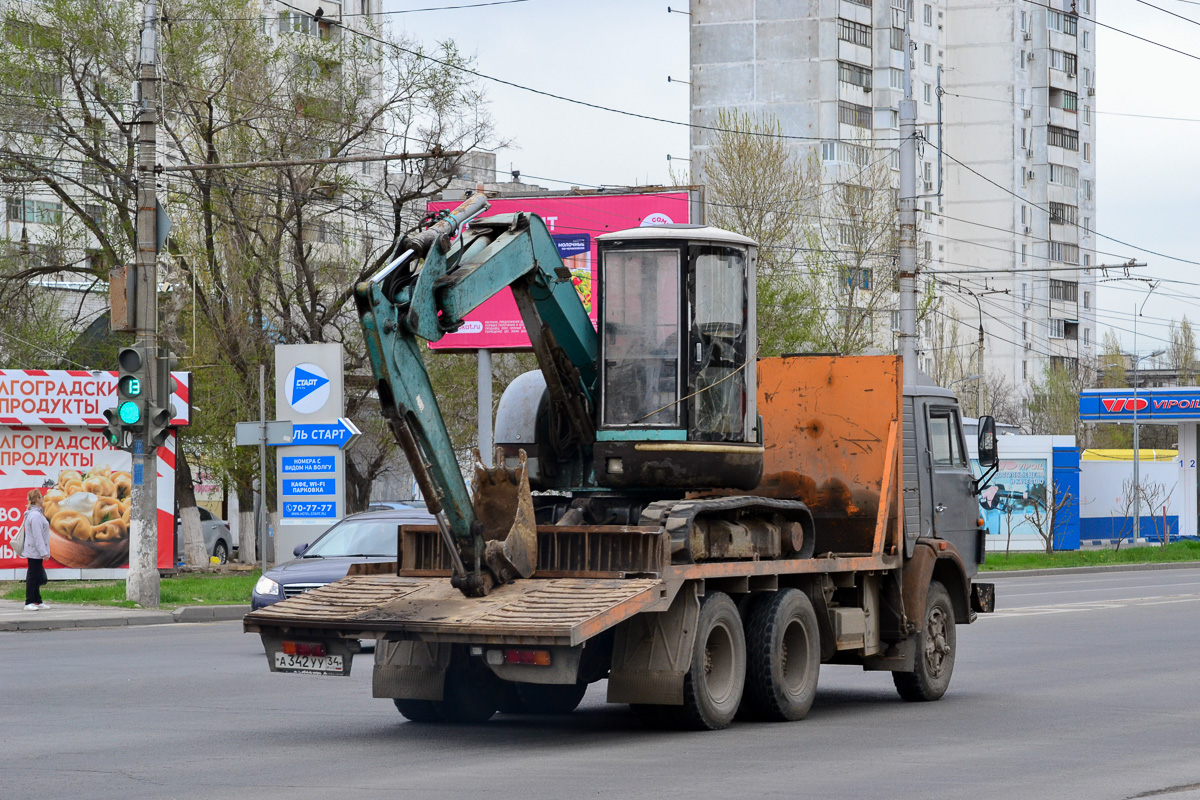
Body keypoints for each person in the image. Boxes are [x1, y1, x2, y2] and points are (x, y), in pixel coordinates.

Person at [20, 488, 50, 610]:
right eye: (41, 497)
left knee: (36, 575)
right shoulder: (35, 515)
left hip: (34, 549)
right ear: (37, 499)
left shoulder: (36, 514)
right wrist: (44, 552)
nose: (42, 499)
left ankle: (37, 600)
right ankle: (29, 602)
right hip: (35, 550)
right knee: (33, 575)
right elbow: (38, 536)